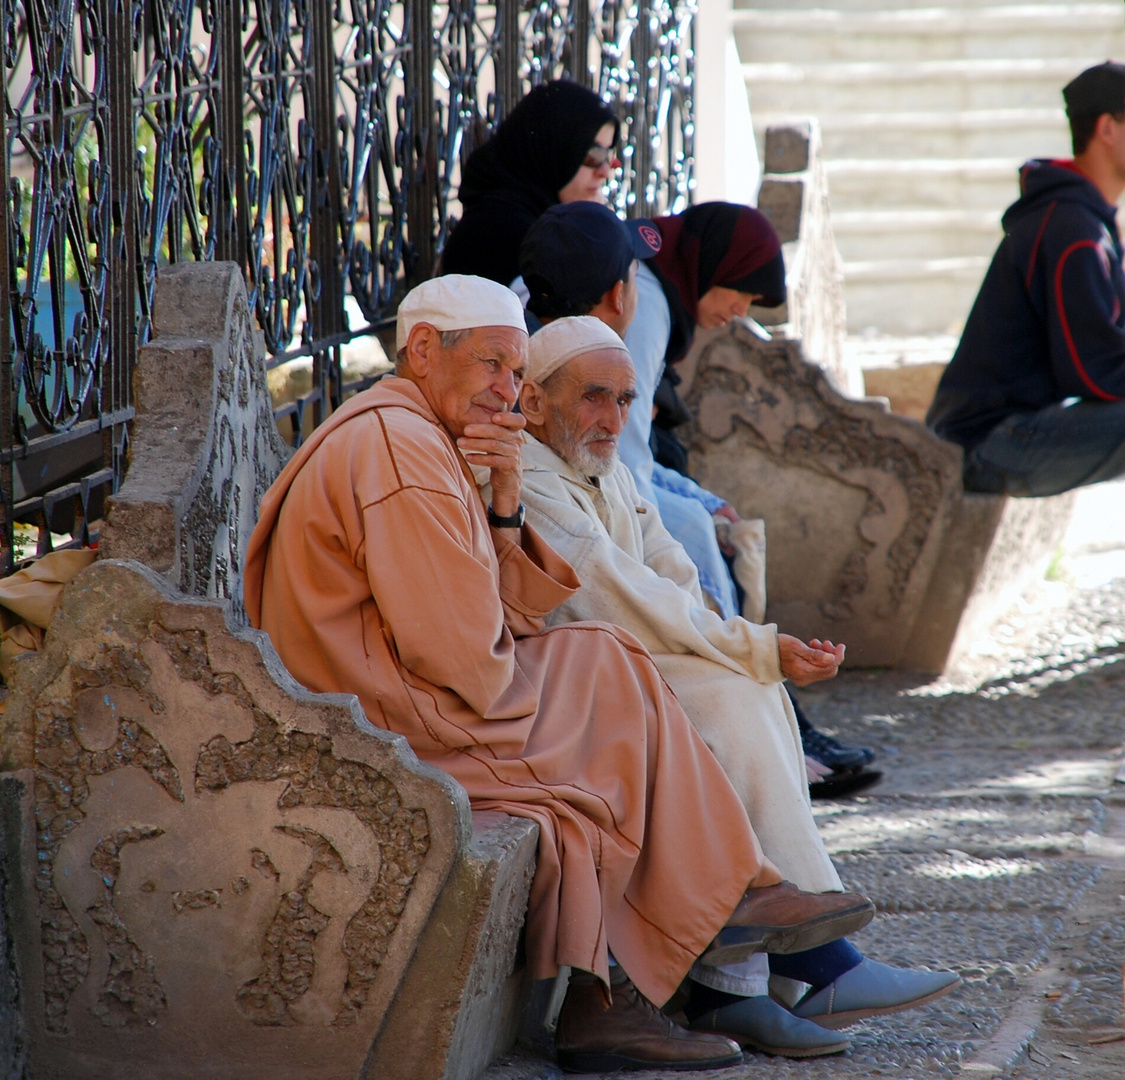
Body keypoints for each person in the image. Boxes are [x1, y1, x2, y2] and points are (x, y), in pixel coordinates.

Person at [243, 275, 876, 1073]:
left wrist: (502, 501)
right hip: (381, 709)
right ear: (425, 351)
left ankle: (621, 992)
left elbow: (490, 616)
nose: (507, 391)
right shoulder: (399, 448)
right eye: (493, 366)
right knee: (600, 725)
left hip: (409, 684)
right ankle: (715, 907)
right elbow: (464, 657)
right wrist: (537, 679)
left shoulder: (423, 432)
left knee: (606, 691)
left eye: (515, 372)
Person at [495, 316, 960, 1054]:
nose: (612, 417)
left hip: (619, 658)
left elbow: (669, 567)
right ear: (534, 400)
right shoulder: (528, 473)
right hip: (563, 679)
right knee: (730, 692)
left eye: (623, 399)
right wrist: (754, 646)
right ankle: (814, 967)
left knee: (747, 684)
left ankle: (738, 989)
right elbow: (615, 595)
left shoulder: (600, 463)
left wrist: (745, 648)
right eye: (593, 398)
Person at [520, 201, 879, 793]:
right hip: (583, 662)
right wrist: (754, 650)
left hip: (628, 598)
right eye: (739, 295)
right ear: (618, 295)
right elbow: (620, 491)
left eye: (625, 399)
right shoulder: (554, 430)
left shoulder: (593, 372)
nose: (740, 314)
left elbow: (632, 496)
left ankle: (788, 776)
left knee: (740, 668)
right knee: (726, 642)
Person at [927, 60, 1125, 497]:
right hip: (987, 446)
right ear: (1107, 129)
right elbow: (1094, 371)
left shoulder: (1085, 223)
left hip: (1015, 435)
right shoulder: (1073, 231)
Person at [440, 80, 620, 286]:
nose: (605, 171)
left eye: (608, 153)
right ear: (551, 149)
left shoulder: (537, 227)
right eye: (593, 155)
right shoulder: (501, 236)